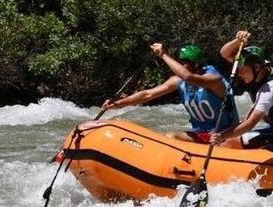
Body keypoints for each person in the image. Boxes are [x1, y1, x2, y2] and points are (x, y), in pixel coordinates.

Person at [102, 43, 239, 143]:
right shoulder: (177, 81)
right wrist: (116, 104)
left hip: (225, 136)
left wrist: (163, 54)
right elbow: (147, 95)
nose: (178, 67)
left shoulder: (214, 79)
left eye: (182, 63)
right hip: (202, 135)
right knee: (169, 138)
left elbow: (188, 77)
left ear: (196, 64)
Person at [209, 31, 273, 150]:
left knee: (228, 143)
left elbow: (250, 123)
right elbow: (224, 53)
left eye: (242, 70)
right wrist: (238, 41)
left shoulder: (270, 89)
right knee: (232, 137)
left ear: (256, 67)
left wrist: (221, 136)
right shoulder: (260, 64)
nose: (239, 74)